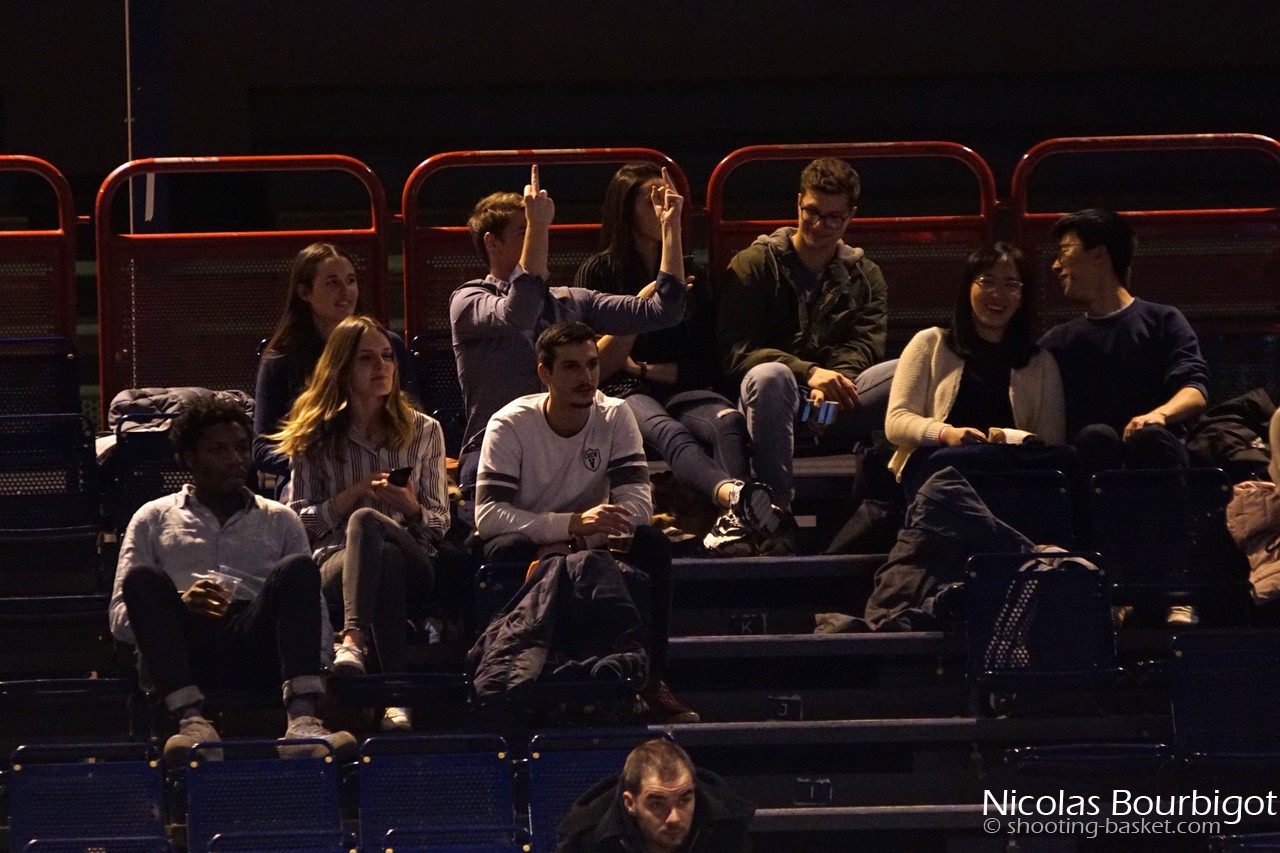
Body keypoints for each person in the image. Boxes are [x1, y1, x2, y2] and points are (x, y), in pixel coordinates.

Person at [108, 394, 354, 765]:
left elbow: (313, 609)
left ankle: (303, 722)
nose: (235, 459)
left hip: (257, 644)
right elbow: (119, 620)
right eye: (218, 450)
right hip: (185, 649)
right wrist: (180, 604)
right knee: (142, 578)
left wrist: (323, 671)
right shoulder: (152, 518)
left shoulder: (280, 518)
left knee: (299, 569)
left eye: (240, 448)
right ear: (189, 458)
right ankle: (192, 723)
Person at [474, 321, 698, 724]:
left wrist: (577, 541)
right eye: (571, 367)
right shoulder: (510, 423)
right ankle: (513, 680)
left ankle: (651, 679)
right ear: (544, 373)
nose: (587, 377)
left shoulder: (615, 414)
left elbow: (637, 506)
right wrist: (571, 524)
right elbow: (489, 516)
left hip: (588, 543)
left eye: (592, 364)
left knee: (651, 543)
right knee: (505, 549)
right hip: (530, 540)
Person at [575, 162, 780, 556]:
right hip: (625, 389)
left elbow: (708, 362)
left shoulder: (693, 276)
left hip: (681, 385)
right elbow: (593, 366)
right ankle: (737, 500)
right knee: (669, 431)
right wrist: (640, 308)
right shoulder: (599, 271)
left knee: (728, 420)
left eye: (668, 199)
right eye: (651, 199)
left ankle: (733, 525)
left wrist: (645, 367)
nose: (663, 207)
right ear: (625, 209)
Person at [275, 315, 450, 733]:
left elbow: (439, 526)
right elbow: (298, 525)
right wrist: (351, 494)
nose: (382, 367)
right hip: (335, 563)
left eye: (387, 357)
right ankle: (397, 702)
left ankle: (352, 639)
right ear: (342, 368)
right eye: (367, 359)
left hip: (415, 557)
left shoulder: (424, 430)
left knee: (372, 524)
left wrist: (410, 507)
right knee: (381, 554)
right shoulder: (315, 434)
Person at [718, 157, 895, 552]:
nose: (818, 225)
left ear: (850, 216)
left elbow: (864, 346)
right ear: (798, 203)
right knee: (771, 376)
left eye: (833, 218)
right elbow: (736, 351)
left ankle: (886, 510)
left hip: (834, 399)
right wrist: (809, 373)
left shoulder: (865, 275)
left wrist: (829, 389)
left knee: (907, 370)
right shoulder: (756, 263)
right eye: (812, 212)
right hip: (770, 399)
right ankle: (775, 516)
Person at [450, 165, 686, 462]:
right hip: (495, 449)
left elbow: (665, 312)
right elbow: (520, 313)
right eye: (525, 232)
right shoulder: (469, 299)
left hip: (565, 452)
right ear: (491, 242)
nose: (539, 240)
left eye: (539, 231)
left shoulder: (568, 300)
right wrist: (538, 226)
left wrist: (670, 227)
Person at [886, 242, 1069, 500]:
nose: (998, 293)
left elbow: (1050, 444)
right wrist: (946, 434)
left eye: (1011, 285)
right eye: (987, 281)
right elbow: (896, 421)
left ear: (1022, 298)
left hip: (1011, 478)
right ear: (968, 288)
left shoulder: (1040, 363)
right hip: (940, 472)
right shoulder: (931, 343)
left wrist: (1013, 439)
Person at [1039, 208, 1210, 472]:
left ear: (1100, 254)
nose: (1056, 265)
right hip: (1093, 466)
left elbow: (1195, 390)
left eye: (1064, 252)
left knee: (1150, 437)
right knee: (1096, 437)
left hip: (1158, 459)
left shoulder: (1162, 320)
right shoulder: (1058, 341)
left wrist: (1159, 415)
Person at [254, 242, 419, 481]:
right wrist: (323, 465)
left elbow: (412, 415)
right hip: (310, 480)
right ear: (304, 292)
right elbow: (262, 449)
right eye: (332, 283)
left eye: (351, 280)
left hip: (382, 472)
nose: (346, 290)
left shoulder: (386, 345)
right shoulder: (281, 359)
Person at [556, 738, 754, 853]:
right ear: (630, 803)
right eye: (657, 805)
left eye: (684, 800)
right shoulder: (590, 842)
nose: (674, 818)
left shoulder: (725, 829)